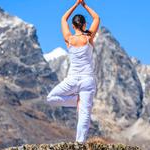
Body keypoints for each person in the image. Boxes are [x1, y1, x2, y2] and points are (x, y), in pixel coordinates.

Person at [46, 0, 100, 143]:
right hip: (87, 80)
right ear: (84, 25)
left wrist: (76, 4)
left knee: (51, 98)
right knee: (84, 113)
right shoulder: (89, 38)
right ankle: (79, 143)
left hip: (72, 79)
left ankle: (74, 100)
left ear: (72, 25)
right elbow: (97, 18)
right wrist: (84, 5)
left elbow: (63, 18)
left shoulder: (68, 39)